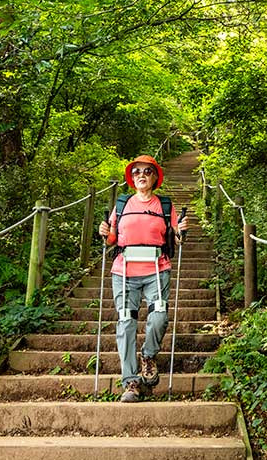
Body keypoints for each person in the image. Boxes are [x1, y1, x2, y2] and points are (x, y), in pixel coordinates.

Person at [98, 154, 188, 403]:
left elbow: (177, 238)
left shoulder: (165, 206)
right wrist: (104, 231)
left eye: (147, 171)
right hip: (124, 271)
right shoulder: (123, 204)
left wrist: (181, 230)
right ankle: (131, 382)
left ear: (155, 177)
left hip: (157, 269)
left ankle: (148, 356)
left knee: (159, 316)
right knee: (126, 322)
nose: (141, 175)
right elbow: (111, 239)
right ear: (131, 177)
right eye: (136, 171)